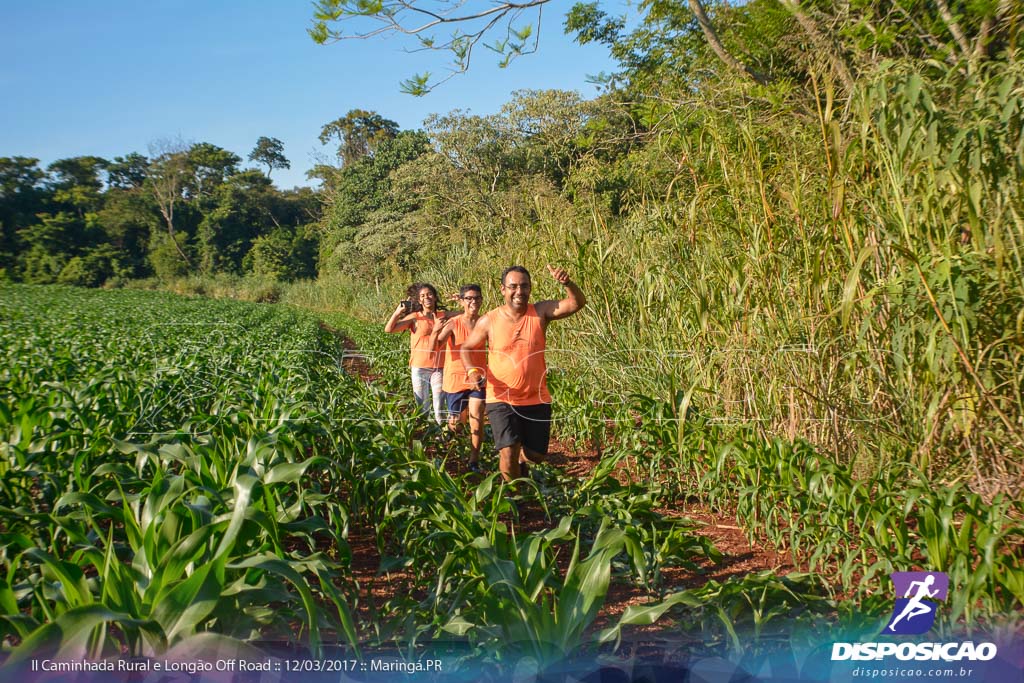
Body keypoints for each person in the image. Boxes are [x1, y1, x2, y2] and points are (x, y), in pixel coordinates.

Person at [461, 265, 585, 481]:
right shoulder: (489, 320)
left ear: (530, 288)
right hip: (500, 397)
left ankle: (521, 463)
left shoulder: (540, 312)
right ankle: (513, 498)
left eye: (524, 286)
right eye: (513, 286)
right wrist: (472, 372)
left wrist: (567, 283)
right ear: (502, 290)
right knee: (508, 449)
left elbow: (576, 303)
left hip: (536, 397)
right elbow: (466, 348)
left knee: (535, 455)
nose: (519, 291)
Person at [431, 284, 487, 471]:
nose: (473, 302)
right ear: (462, 301)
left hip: (478, 378)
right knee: (456, 424)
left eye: (477, 298)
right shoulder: (454, 323)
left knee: (477, 417)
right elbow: (436, 346)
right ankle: (456, 438)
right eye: (469, 298)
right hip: (455, 379)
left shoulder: (485, 322)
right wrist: (436, 331)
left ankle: (474, 460)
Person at [384, 282, 447, 424]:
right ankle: (428, 435)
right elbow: (389, 329)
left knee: (439, 405)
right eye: (423, 296)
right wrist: (397, 313)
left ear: (435, 297)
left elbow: (464, 314)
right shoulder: (415, 317)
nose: (427, 297)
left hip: (439, 366)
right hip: (419, 367)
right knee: (423, 407)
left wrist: (462, 300)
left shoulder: (442, 316)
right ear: (419, 300)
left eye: (430, 294)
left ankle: (441, 436)